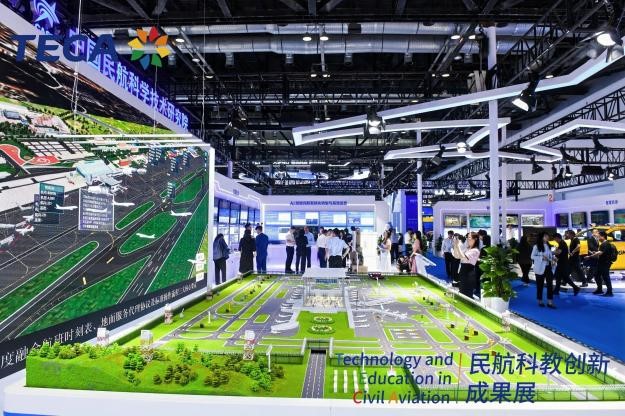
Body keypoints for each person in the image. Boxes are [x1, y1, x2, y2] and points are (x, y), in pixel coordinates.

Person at [451, 232, 480, 298]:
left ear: (475, 239)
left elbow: (463, 256)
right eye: (467, 237)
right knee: (462, 291)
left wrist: (457, 246)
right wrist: (455, 245)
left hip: (468, 273)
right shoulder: (468, 248)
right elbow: (457, 256)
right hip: (463, 271)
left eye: (469, 237)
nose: (467, 239)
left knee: (466, 293)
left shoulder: (475, 250)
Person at [531, 232, 556, 308]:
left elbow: (549, 256)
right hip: (539, 268)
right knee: (540, 285)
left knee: (550, 285)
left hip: (548, 267)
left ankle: (550, 302)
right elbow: (532, 256)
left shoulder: (548, 245)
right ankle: (540, 300)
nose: (547, 237)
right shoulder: (536, 246)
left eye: (547, 236)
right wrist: (541, 258)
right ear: (541, 237)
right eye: (545, 236)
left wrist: (553, 258)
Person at [587, 231, 614, 296]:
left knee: (606, 277)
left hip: (605, 263)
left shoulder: (605, 244)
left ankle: (609, 292)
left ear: (603, 236)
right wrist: (594, 253)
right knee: (597, 275)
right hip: (601, 263)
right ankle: (599, 289)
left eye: (599, 237)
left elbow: (600, 253)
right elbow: (600, 252)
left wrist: (590, 256)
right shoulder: (603, 244)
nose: (598, 238)